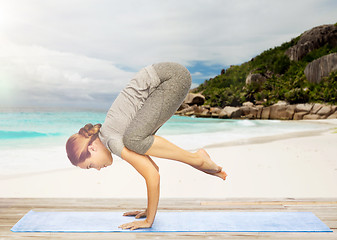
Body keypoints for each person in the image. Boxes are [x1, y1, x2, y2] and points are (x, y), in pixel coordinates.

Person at [66, 62, 227, 230]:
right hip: (170, 77)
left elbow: (152, 175)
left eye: (90, 165)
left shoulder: (112, 140)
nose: (97, 169)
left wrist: (149, 220)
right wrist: (148, 210)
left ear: (92, 148)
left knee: (134, 140)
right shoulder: (112, 134)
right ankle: (198, 159)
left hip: (169, 79)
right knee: (135, 140)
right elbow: (153, 169)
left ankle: (197, 158)